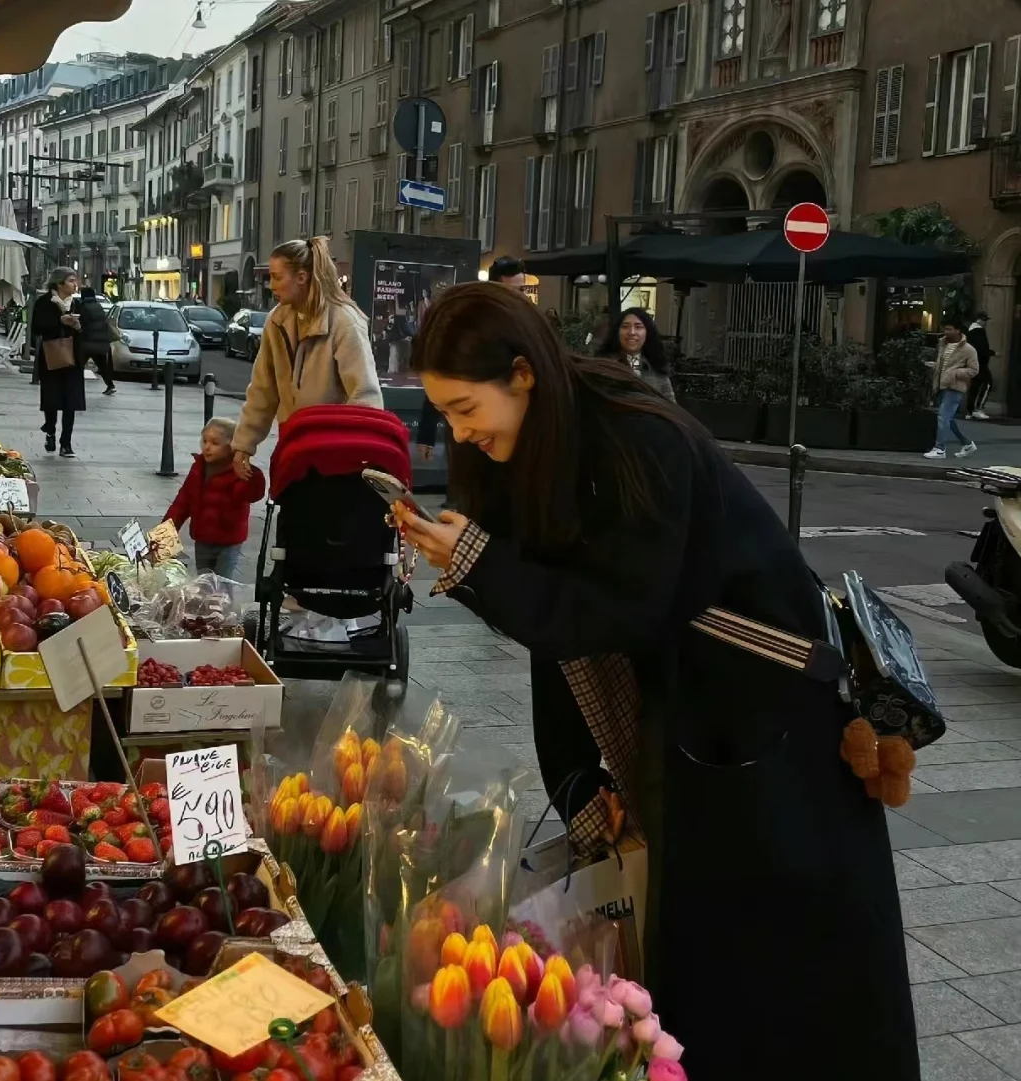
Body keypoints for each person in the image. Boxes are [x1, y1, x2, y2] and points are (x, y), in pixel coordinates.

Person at [391, 283, 919, 1081]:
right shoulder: (541, 444)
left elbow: (616, 609)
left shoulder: (638, 438)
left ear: (524, 375)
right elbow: (558, 625)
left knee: (784, 964)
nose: (460, 433)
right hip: (698, 720)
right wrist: (579, 785)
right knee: (702, 950)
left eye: (467, 408)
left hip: (767, 726)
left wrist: (479, 564)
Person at [231, 236, 382, 481]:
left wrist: (355, 452)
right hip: (294, 449)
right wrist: (243, 444)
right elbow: (262, 389)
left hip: (336, 459)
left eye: (277, 277)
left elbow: (365, 395)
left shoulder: (344, 321)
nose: (271, 285)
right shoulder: (277, 320)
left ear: (301, 278)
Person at [417, 255, 528, 460]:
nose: (518, 298)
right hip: (478, 443)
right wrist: (426, 435)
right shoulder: (471, 327)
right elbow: (441, 383)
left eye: (521, 291)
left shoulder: (529, 329)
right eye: (511, 291)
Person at [165, 417, 266, 579]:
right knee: (204, 582)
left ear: (232, 446)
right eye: (204, 441)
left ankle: (225, 605)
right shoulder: (198, 468)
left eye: (215, 443)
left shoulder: (238, 472)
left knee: (222, 585)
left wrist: (249, 471)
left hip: (228, 541)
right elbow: (182, 502)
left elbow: (253, 494)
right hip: (203, 537)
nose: (207, 447)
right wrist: (165, 532)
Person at [31, 268, 85, 458]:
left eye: (75, 280)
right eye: (71, 280)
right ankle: (51, 430)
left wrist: (77, 326)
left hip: (73, 358)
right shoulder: (44, 303)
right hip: (51, 356)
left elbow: (86, 330)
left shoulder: (77, 304)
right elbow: (36, 328)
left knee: (71, 401)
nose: (74, 284)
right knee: (51, 400)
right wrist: (60, 321)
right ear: (59, 283)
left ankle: (66, 443)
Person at [925, 320, 980, 459]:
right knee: (947, 418)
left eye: (949, 329)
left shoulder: (968, 349)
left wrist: (955, 373)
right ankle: (967, 444)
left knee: (943, 417)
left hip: (956, 387)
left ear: (958, 330)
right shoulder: (943, 344)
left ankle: (940, 449)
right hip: (941, 385)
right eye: (945, 329)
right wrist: (934, 366)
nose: (946, 332)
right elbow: (943, 364)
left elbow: (974, 370)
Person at [598, 306, 675, 402]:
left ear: (647, 333)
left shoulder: (657, 370)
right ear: (617, 332)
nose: (632, 332)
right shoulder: (604, 367)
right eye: (625, 326)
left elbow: (671, 409)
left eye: (638, 327)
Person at [73, 287, 115, 396]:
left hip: (87, 342)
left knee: (78, 366)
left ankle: (75, 388)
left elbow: (81, 324)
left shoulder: (82, 307)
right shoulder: (98, 307)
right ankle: (110, 385)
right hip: (100, 342)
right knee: (102, 366)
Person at [966, 310, 993, 419]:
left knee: (975, 387)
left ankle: (970, 410)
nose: (986, 323)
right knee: (987, 384)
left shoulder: (971, 331)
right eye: (985, 320)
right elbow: (982, 348)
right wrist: (991, 353)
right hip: (980, 363)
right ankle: (978, 408)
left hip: (973, 362)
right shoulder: (979, 331)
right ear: (980, 320)